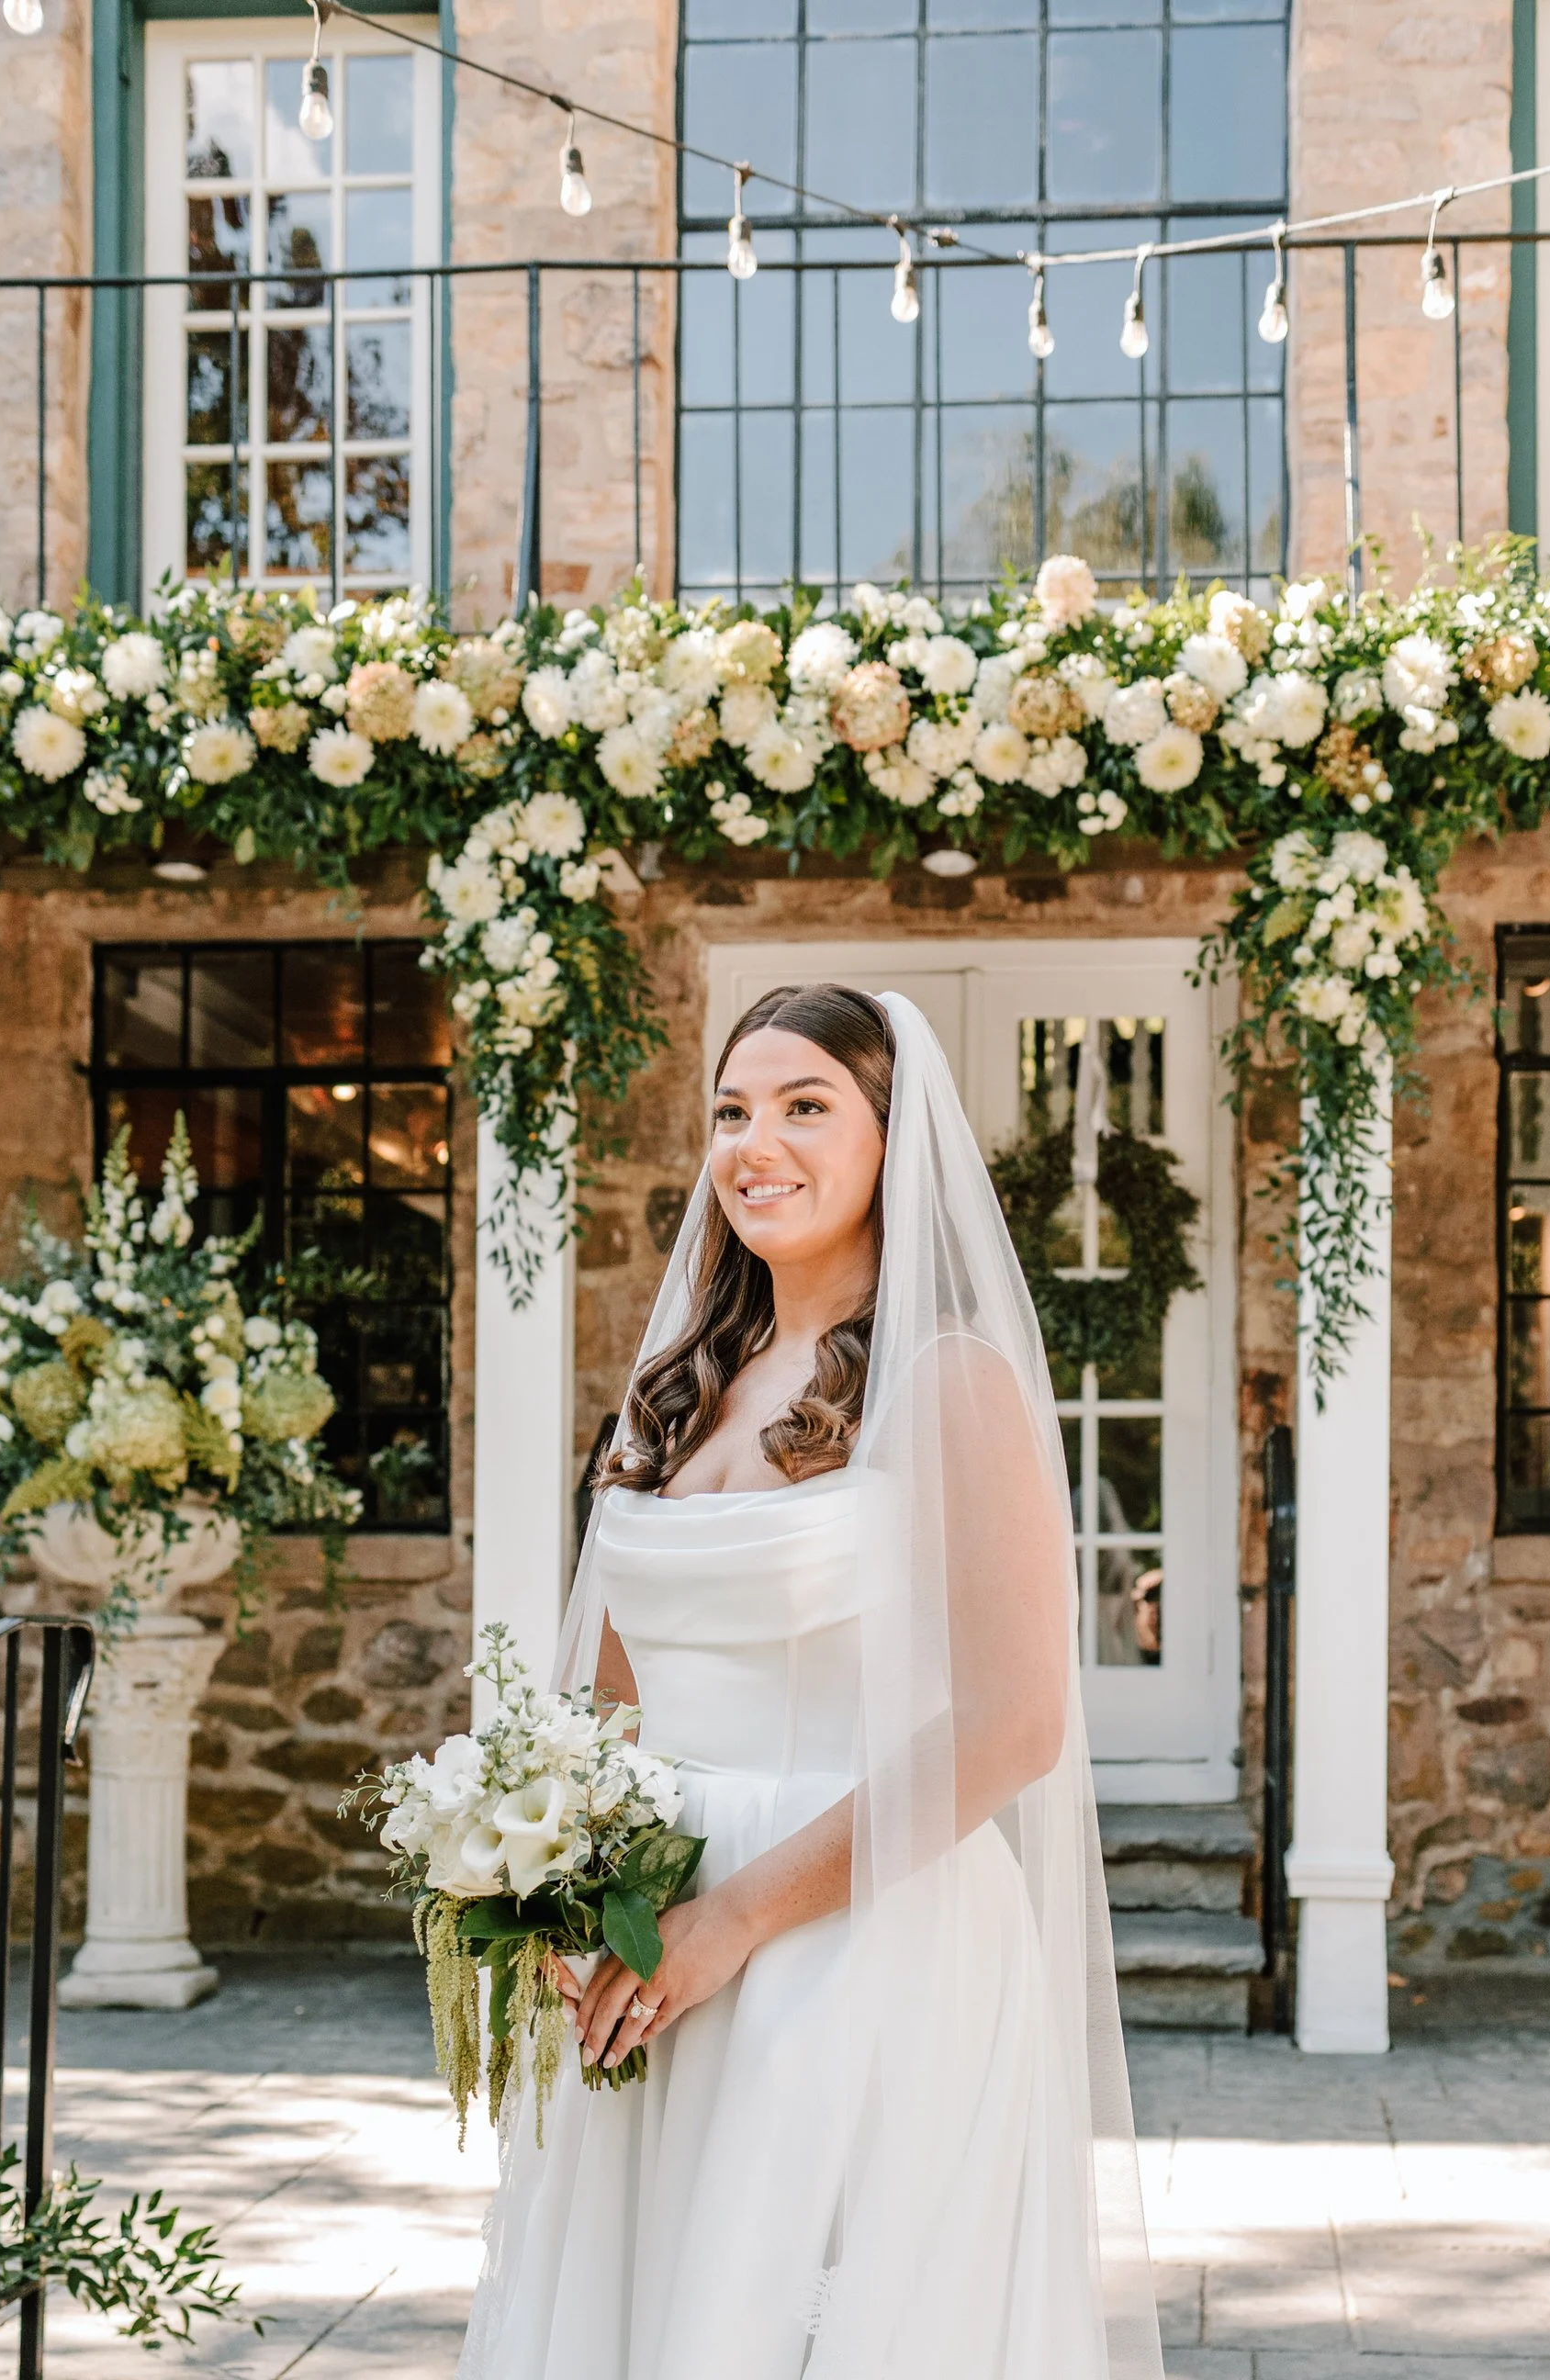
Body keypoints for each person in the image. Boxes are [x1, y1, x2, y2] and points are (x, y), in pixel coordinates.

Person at [457, 983, 1163, 2380]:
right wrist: (547, 1888)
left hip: (852, 1937)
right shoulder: (675, 1391)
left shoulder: (947, 1381)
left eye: (804, 1107)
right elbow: (606, 1711)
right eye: (731, 1112)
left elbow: (1016, 1724)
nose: (753, 1143)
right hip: (650, 1942)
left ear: (894, 1142)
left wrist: (733, 1921)